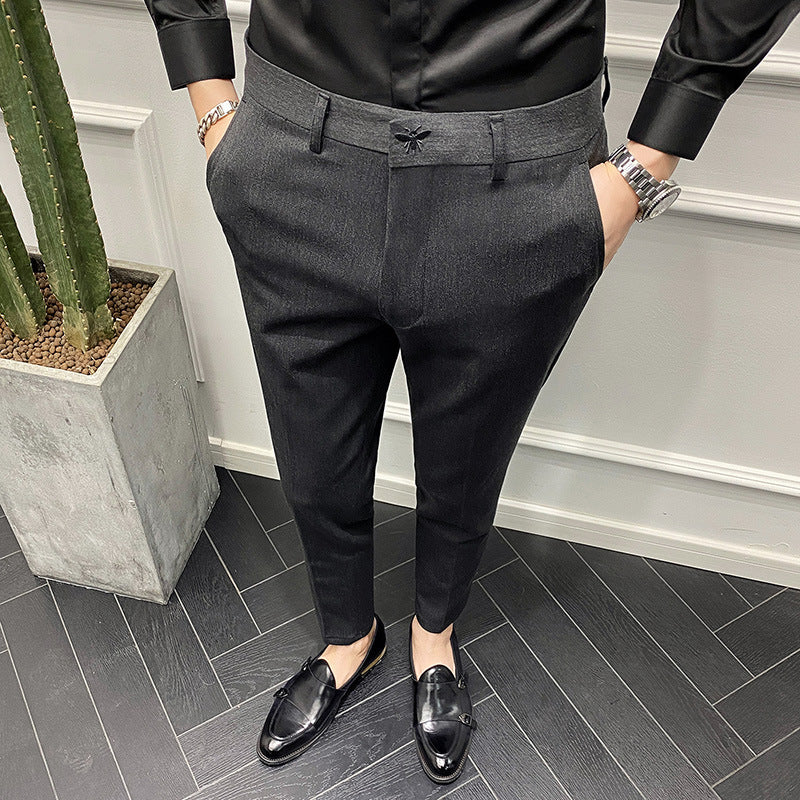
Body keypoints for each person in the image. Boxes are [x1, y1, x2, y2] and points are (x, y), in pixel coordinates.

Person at [144, 0, 800, 784]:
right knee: (313, 455)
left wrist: (642, 169)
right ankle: (349, 638)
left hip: (519, 176)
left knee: (468, 459)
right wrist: (212, 102)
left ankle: (434, 639)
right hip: (292, 152)